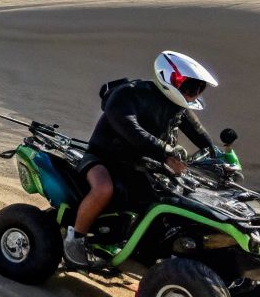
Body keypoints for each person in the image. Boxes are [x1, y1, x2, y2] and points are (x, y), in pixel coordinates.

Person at [65, 51, 219, 269]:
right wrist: (167, 152)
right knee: (103, 189)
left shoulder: (178, 107)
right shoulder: (129, 93)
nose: (194, 95)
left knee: (170, 200)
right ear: (171, 78)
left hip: (143, 165)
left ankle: (143, 249)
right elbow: (130, 129)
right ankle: (75, 239)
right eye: (191, 88)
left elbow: (199, 133)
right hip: (104, 157)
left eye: (199, 89)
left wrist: (218, 156)